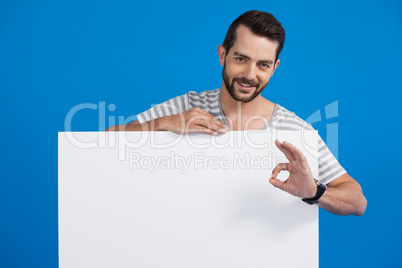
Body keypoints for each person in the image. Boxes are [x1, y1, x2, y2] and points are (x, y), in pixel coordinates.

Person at [107, 10, 367, 216]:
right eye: (241, 59)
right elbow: (107, 138)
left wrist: (315, 192)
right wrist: (165, 123)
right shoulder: (187, 107)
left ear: (274, 68)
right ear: (223, 55)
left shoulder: (295, 129)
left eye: (263, 64)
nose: (250, 75)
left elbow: (357, 202)